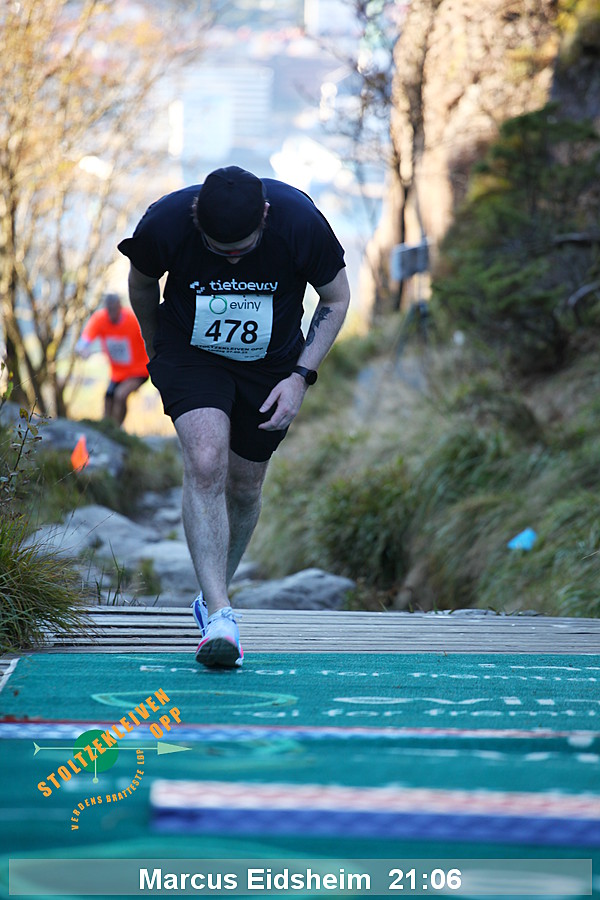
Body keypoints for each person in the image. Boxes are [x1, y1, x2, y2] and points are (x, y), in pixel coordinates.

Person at [117, 165, 350, 669]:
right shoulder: (164, 222)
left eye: (242, 249)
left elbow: (335, 298)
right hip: (191, 353)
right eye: (219, 250)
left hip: (271, 363)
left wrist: (300, 377)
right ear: (196, 216)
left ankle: (211, 597)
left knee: (244, 485)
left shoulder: (300, 220)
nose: (233, 259)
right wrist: (156, 349)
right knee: (206, 461)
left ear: (264, 215)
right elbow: (142, 283)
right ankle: (222, 614)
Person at [76, 293, 149, 426]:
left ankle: (117, 428)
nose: (112, 313)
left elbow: (149, 339)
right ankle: (106, 427)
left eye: (114, 308)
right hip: (117, 373)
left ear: (120, 306)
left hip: (139, 371)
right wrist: (83, 349)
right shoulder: (100, 320)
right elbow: (85, 340)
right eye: (109, 309)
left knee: (120, 395)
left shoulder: (133, 321)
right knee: (109, 396)